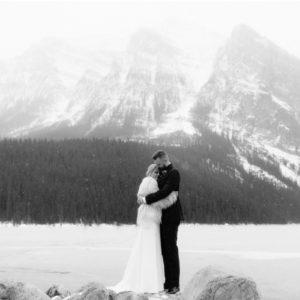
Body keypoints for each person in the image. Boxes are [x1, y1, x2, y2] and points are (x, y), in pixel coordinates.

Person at [107, 163, 178, 294]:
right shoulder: (151, 182)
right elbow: (155, 200)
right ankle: (150, 285)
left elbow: (145, 199)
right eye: (155, 172)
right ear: (150, 172)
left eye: (158, 172)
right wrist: (172, 198)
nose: (157, 174)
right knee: (151, 249)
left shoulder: (145, 182)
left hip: (147, 219)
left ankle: (144, 281)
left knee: (145, 248)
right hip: (150, 219)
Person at [138, 150, 184, 295]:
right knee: (165, 251)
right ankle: (168, 284)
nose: (157, 166)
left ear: (164, 160)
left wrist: (146, 200)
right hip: (161, 217)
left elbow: (165, 192)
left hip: (171, 217)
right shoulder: (162, 174)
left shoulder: (174, 174)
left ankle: (174, 285)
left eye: (158, 163)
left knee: (171, 249)